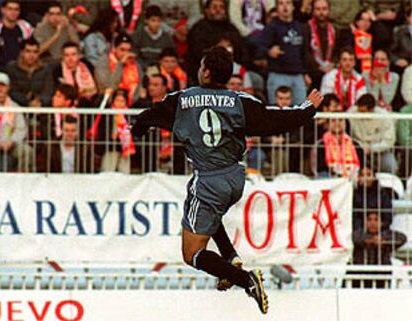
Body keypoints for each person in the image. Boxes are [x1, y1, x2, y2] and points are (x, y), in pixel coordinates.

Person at [130, 46, 323, 314]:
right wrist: (307, 109)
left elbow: (149, 115)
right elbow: (276, 120)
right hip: (235, 178)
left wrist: (137, 129)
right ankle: (231, 258)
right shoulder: (240, 102)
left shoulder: (182, 100)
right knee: (210, 214)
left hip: (208, 182)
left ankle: (245, 280)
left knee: (192, 254)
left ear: (206, 71)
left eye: (201, 66)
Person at [256, 0, 312, 105]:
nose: (285, 7)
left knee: (300, 112)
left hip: (298, 75)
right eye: (281, 3)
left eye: (288, 3)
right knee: (277, 112)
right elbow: (259, 47)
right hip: (278, 74)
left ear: (293, 7)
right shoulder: (271, 27)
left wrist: (305, 73)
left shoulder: (301, 27)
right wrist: (269, 51)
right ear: (277, 7)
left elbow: (304, 52)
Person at [348, 94, 398, 174]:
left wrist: (371, 148)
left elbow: (389, 140)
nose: (360, 114)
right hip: (357, 151)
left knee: (391, 165)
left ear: (372, 110)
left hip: (380, 152)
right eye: (359, 111)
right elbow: (348, 135)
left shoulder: (384, 116)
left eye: (363, 112)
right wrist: (360, 146)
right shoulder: (351, 113)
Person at [95, 33, 144, 105]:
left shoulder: (135, 63)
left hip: (132, 103)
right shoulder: (104, 62)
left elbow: (140, 86)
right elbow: (107, 86)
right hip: (109, 102)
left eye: (128, 50)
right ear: (114, 48)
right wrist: (120, 65)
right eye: (122, 50)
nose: (126, 54)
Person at [5, 37, 53, 107]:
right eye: (28, 51)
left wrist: (39, 101)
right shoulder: (12, 68)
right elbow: (11, 90)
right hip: (17, 107)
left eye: (35, 52)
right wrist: (27, 102)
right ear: (21, 53)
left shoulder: (45, 69)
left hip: (41, 108)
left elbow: (48, 91)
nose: (32, 55)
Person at [0, 72, 28, 172]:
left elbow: (21, 129)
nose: (0, 90)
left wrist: (11, 141)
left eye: (3, 86)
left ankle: (22, 182)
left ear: (8, 88)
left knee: (26, 151)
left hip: (10, 143)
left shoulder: (15, 107)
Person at [132, 5, 175, 69]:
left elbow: (171, 57)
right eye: (153, 20)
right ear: (146, 21)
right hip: (140, 69)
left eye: (159, 21)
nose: (156, 24)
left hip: (161, 70)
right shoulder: (138, 35)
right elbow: (134, 56)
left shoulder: (167, 38)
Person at [307, 0, 337, 90]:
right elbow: (305, 52)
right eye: (318, 9)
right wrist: (318, 66)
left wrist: (332, 64)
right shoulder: (306, 28)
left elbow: (338, 50)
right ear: (313, 11)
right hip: (312, 73)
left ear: (329, 11)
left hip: (330, 71)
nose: (321, 12)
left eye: (324, 9)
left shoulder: (335, 29)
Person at [0, 0, 34, 68]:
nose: (13, 12)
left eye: (16, 9)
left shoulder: (25, 26)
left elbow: (33, 49)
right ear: (3, 10)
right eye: (10, 9)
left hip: (22, 67)